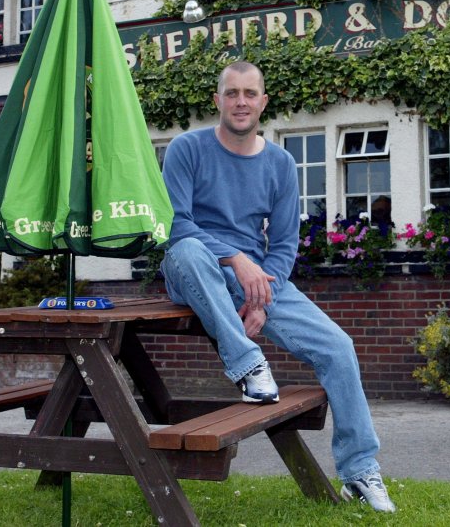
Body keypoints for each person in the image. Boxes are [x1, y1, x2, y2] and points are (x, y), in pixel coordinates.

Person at [159, 61, 397, 513]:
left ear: (263, 102)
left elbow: (286, 243)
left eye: (250, 93)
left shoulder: (281, 163)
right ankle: (248, 366)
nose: (241, 102)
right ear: (218, 101)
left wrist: (263, 301)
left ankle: (359, 471)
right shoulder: (186, 149)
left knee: (338, 347)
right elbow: (175, 224)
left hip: (257, 281)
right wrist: (236, 258)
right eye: (232, 93)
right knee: (189, 249)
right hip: (195, 269)